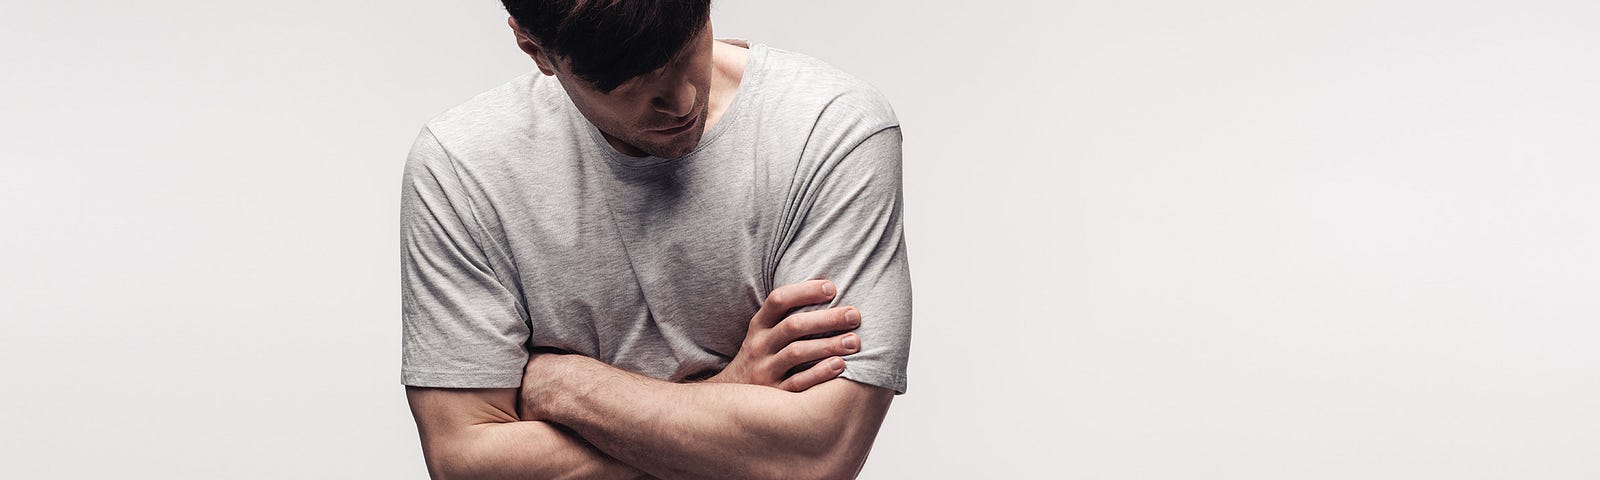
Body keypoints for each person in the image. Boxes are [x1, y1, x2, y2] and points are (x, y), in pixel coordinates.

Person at [399, 1, 911, 478]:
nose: (683, 99)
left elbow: (818, 452)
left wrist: (567, 387)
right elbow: (464, 460)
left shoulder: (828, 130)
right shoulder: (463, 168)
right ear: (535, 49)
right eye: (632, 85)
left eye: (690, 46)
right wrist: (726, 410)